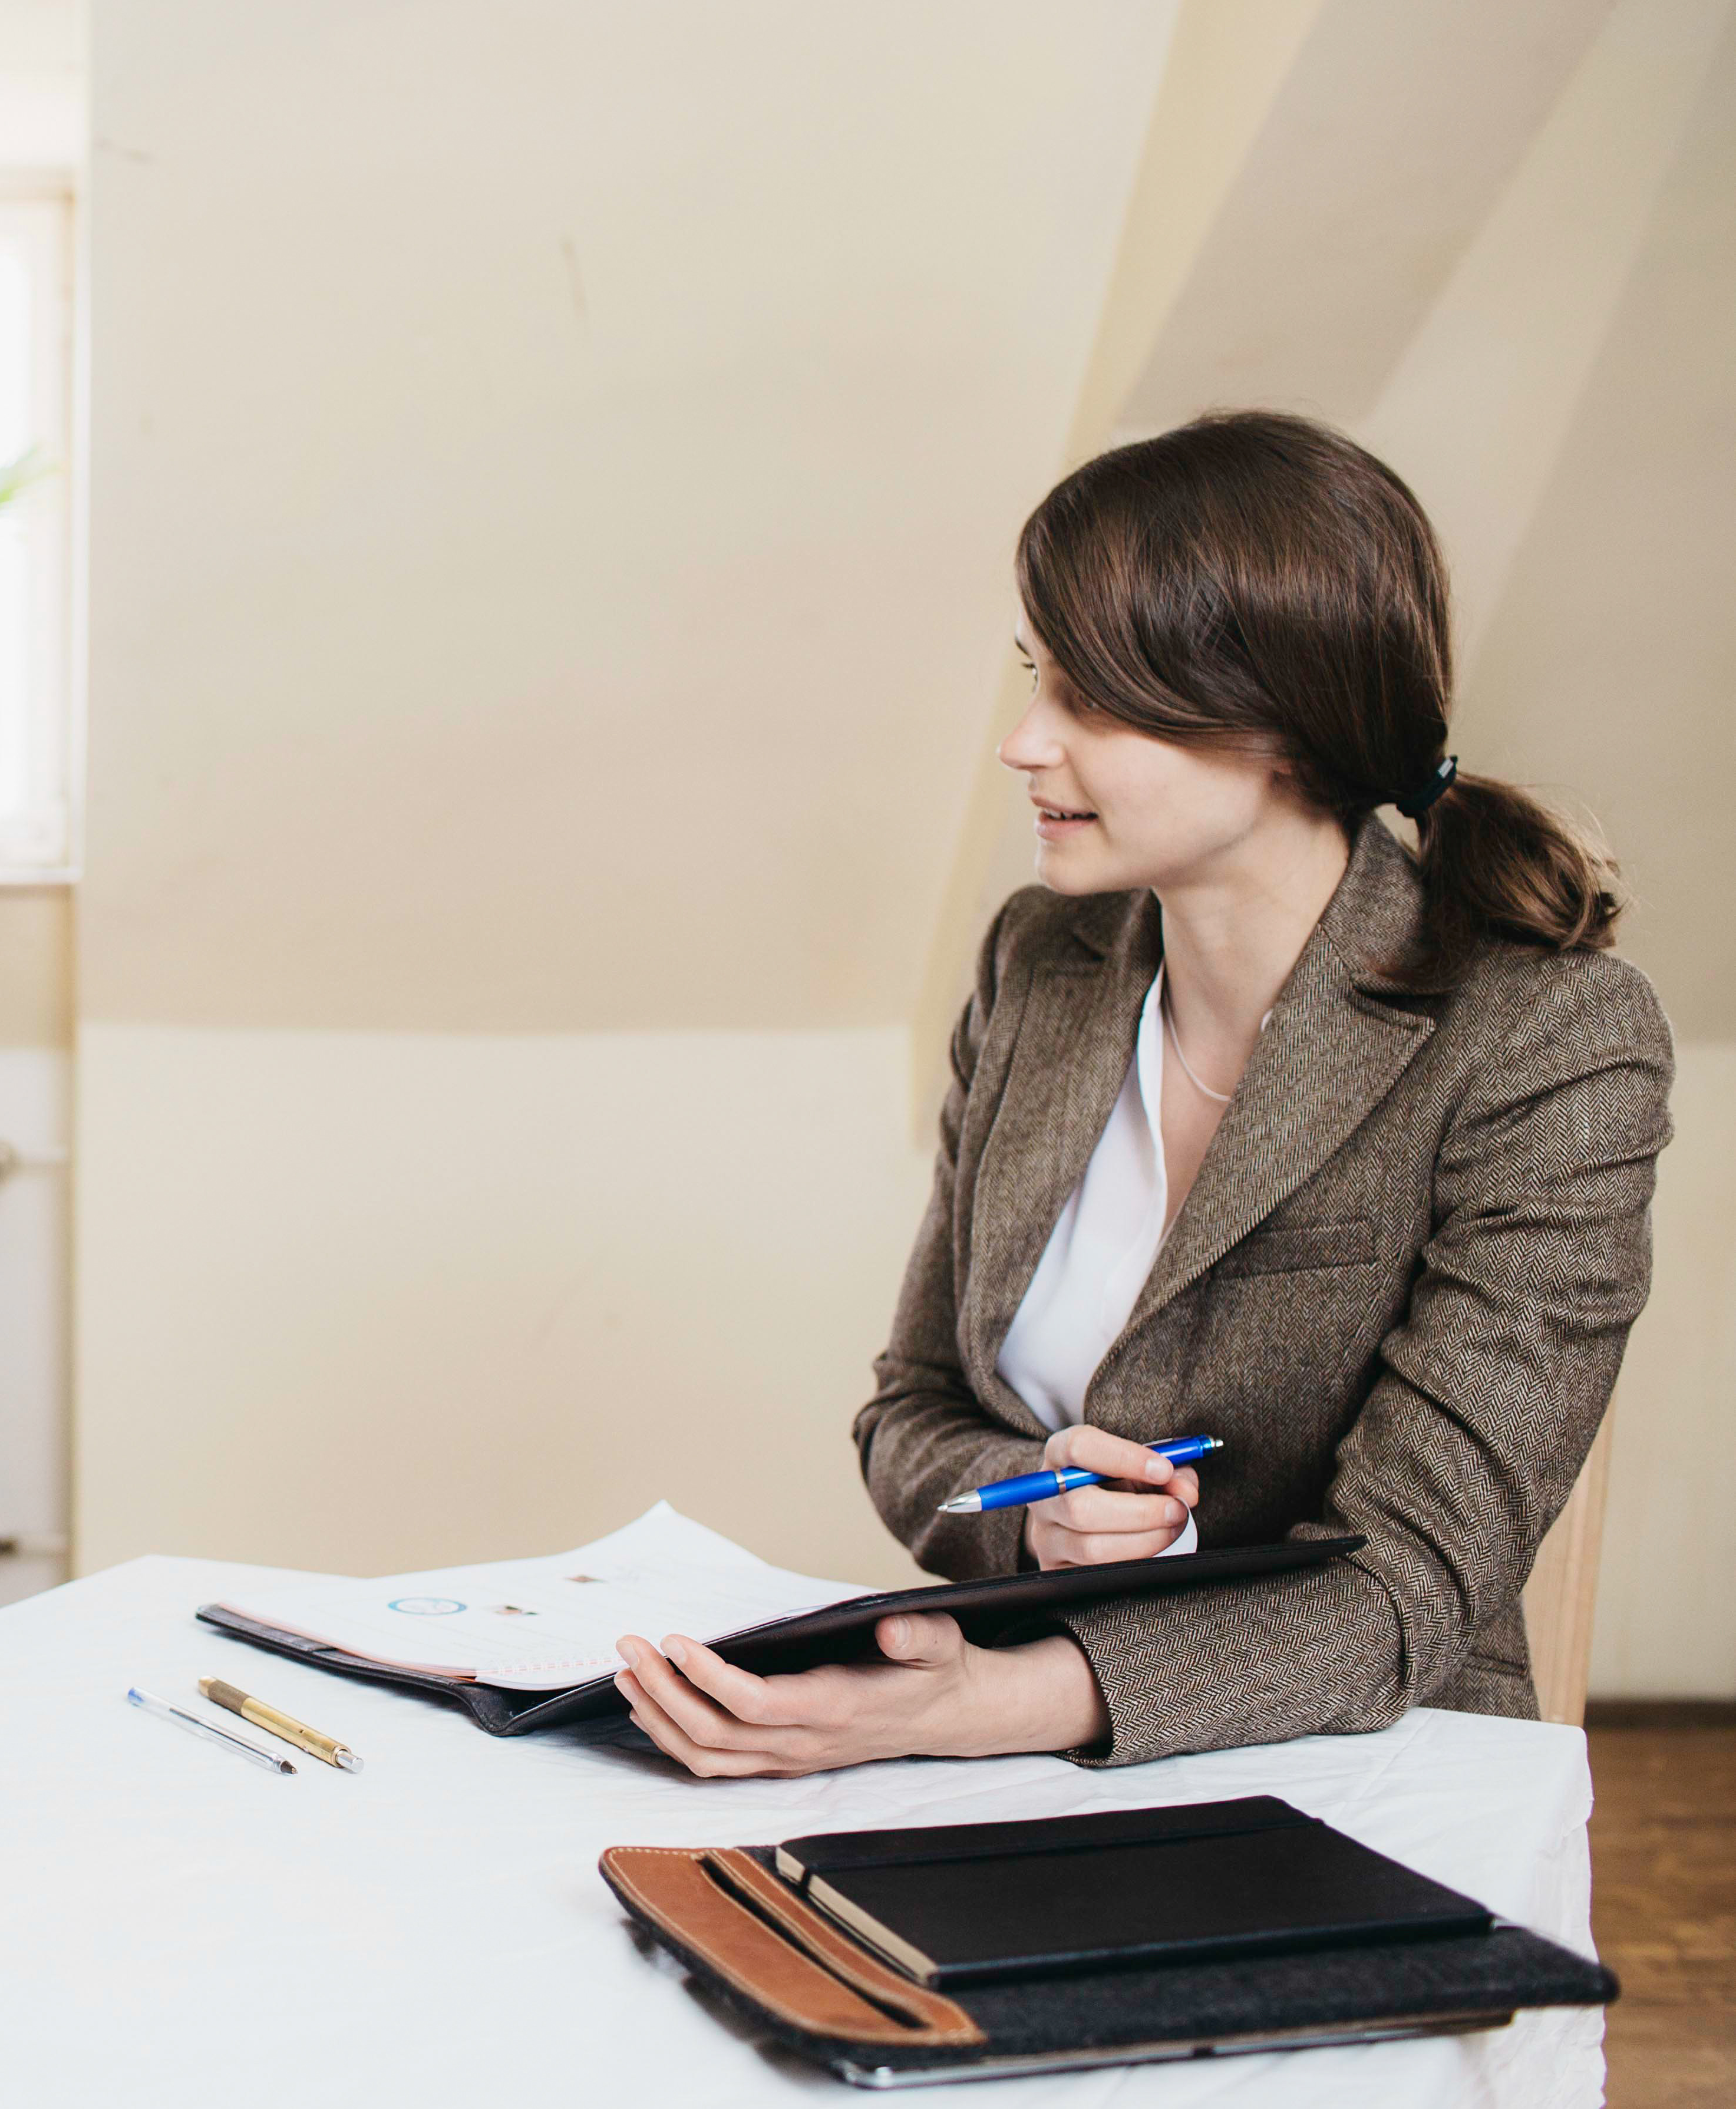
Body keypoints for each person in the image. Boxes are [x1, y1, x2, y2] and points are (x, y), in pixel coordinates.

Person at [613, 413, 1672, 1775]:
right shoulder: (1037, 961)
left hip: (1363, 1773)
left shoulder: (1549, 1040)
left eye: (1089, 698)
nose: (1021, 743)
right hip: (1016, 1755)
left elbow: (1407, 1588)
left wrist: (984, 1706)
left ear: (1282, 725)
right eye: (1032, 678)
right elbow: (912, 1408)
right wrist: (1030, 1522)